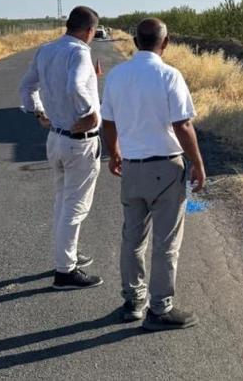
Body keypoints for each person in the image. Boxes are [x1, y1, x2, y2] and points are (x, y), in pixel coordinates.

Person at [101, 18, 206, 331]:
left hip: (132, 168)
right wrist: (198, 163)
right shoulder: (169, 75)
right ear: (166, 42)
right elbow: (182, 125)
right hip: (165, 168)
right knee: (166, 242)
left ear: (135, 42)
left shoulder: (117, 76)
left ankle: (134, 301)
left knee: (132, 239)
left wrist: (114, 153)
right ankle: (160, 309)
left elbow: (108, 121)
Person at [19, 6, 103, 290]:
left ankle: (68, 254)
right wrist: (90, 113)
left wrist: (38, 112)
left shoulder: (46, 50)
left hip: (55, 138)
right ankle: (65, 271)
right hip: (79, 142)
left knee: (62, 201)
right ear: (90, 30)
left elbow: (27, 86)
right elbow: (75, 86)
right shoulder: (80, 52)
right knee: (75, 206)